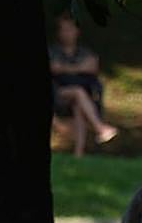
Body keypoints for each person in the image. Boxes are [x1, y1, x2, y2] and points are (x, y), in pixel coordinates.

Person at [49, 15, 117, 155]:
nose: (67, 33)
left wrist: (65, 68)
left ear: (77, 31)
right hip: (58, 94)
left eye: (70, 29)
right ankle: (100, 127)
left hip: (80, 97)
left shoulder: (84, 51)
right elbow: (54, 68)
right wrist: (79, 68)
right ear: (59, 32)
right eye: (64, 30)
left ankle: (78, 154)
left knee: (78, 106)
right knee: (78, 92)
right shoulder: (52, 51)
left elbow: (92, 66)